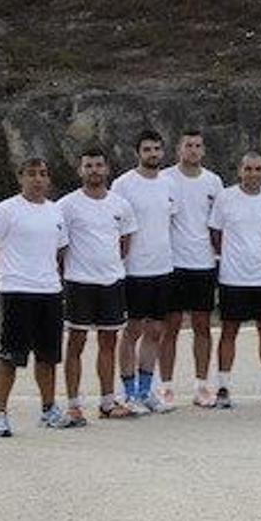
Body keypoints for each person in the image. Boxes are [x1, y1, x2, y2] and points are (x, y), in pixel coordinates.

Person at [0, 158, 73, 436]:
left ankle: (48, 409)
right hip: (16, 292)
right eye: (31, 174)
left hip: (50, 292)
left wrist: (49, 275)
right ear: (21, 178)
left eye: (42, 174)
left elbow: (60, 250)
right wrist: (6, 274)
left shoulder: (56, 212)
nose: (37, 179)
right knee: (10, 357)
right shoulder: (6, 210)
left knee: (48, 357)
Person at [58, 149, 139, 423]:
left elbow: (124, 244)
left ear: (107, 169)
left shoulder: (120, 205)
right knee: (76, 343)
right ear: (80, 170)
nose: (94, 170)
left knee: (108, 342)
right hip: (79, 283)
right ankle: (73, 404)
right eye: (88, 165)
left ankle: (107, 402)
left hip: (111, 282)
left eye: (98, 165)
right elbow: (60, 247)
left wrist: (109, 268)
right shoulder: (67, 205)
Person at [208, 151, 261, 407]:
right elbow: (216, 234)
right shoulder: (225, 198)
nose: (253, 174)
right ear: (240, 170)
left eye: (258, 169)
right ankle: (223, 387)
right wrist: (231, 258)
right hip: (233, 278)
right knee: (229, 331)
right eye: (248, 169)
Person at [111, 129, 178, 412]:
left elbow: (169, 222)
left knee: (156, 330)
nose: (153, 154)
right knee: (133, 330)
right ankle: (129, 393)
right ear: (137, 152)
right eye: (147, 149)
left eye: (157, 149)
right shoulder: (123, 185)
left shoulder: (169, 184)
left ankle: (145, 390)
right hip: (134, 270)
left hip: (163, 268)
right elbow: (114, 226)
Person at [158, 129, 223, 409]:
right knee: (170, 327)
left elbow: (218, 222)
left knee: (202, 326)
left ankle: (201, 386)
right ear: (179, 149)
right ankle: (166, 387)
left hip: (203, 263)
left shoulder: (213, 181)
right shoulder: (165, 179)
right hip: (173, 263)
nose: (193, 150)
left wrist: (218, 256)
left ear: (203, 150)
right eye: (188, 145)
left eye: (198, 145)